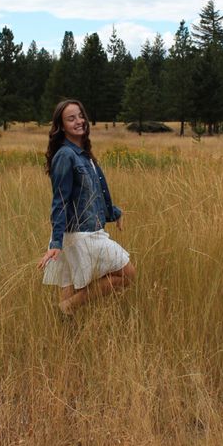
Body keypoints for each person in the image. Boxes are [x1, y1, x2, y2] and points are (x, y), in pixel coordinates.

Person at [38, 99, 135, 314]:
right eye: (71, 119)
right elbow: (60, 201)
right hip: (81, 233)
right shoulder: (65, 155)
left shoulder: (83, 153)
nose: (79, 121)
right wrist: (56, 241)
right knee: (127, 273)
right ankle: (67, 306)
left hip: (75, 233)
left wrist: (113, 212)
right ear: (61, 126)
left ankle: (65, 328)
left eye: (81, 116)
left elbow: (92, 194)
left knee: (70, 288)